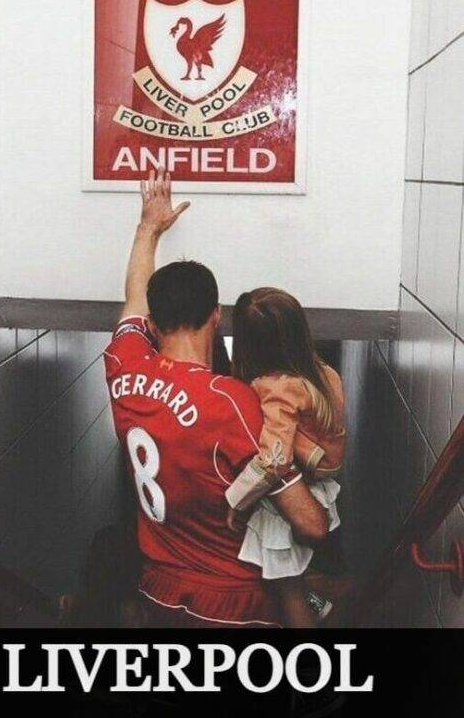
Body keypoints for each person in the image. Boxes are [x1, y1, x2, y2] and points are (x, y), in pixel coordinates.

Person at [103, 168, 328, 628]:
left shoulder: (121, 365)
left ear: (152, 322)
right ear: (216, 316)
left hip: (158, 595)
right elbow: (311, 525)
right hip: (232, 605)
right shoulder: (229, 401)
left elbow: (132, 298)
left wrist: (148, 228)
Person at [226, 288, 346, 627]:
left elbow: (274, 459)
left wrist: (238, 500)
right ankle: (315, 601)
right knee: (292, 576)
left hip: (294, 493)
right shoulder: (324, 373)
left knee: (286, 587)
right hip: (321, 481)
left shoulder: (277, 388)